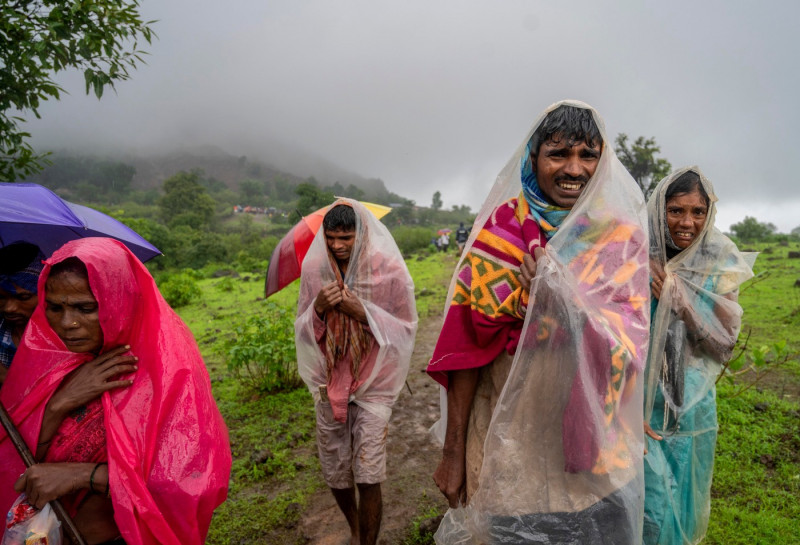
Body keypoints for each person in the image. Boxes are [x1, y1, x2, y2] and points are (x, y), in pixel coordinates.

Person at [426, 100, 650, 544]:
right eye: (558, 153)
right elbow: (466, 350)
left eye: (588, 155)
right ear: (533, 157)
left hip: (597, 454)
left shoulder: (619, 239)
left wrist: (558, 302)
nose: (574, 168)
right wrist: (453, 454)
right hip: (512, 450)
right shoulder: (501, 232)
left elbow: (629, 343)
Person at [0, 237, 231, 545]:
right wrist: (59, 404)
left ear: (118, 298)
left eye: (85, 308)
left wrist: (82, 475)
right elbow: (11, 460)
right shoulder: (47, 364)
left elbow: (188, 483)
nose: (68, 323)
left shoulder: (168, 373)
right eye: (55, 308)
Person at [295, 200, 417, 545]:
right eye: (331, 237)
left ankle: (368, 541)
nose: (337, 245)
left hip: (374, 384)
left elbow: (406, 328)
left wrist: (361, 312)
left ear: (361, 234)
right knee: (336, 472)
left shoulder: (389, 270)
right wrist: (318, 309)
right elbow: (302, 328)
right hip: (329, 382)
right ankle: (353, 525)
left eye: (346, 237)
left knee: (368, 472)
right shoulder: (315, 271)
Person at [642, 168, 753, 545]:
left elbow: (724, 347)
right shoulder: (640, 252)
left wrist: (681, 303)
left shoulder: (718, 259)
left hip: (690, 405)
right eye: (676, 210)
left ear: (709, 213)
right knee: (647, 505)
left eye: (698, 211)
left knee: (682, 503)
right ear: (659, 209)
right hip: (637, 403)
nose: (687, 222)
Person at [0, 242, 44, 386]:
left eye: (23, 298)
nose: (9, 308)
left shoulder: (65, 338)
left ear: (44, 292)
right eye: (1, 297)